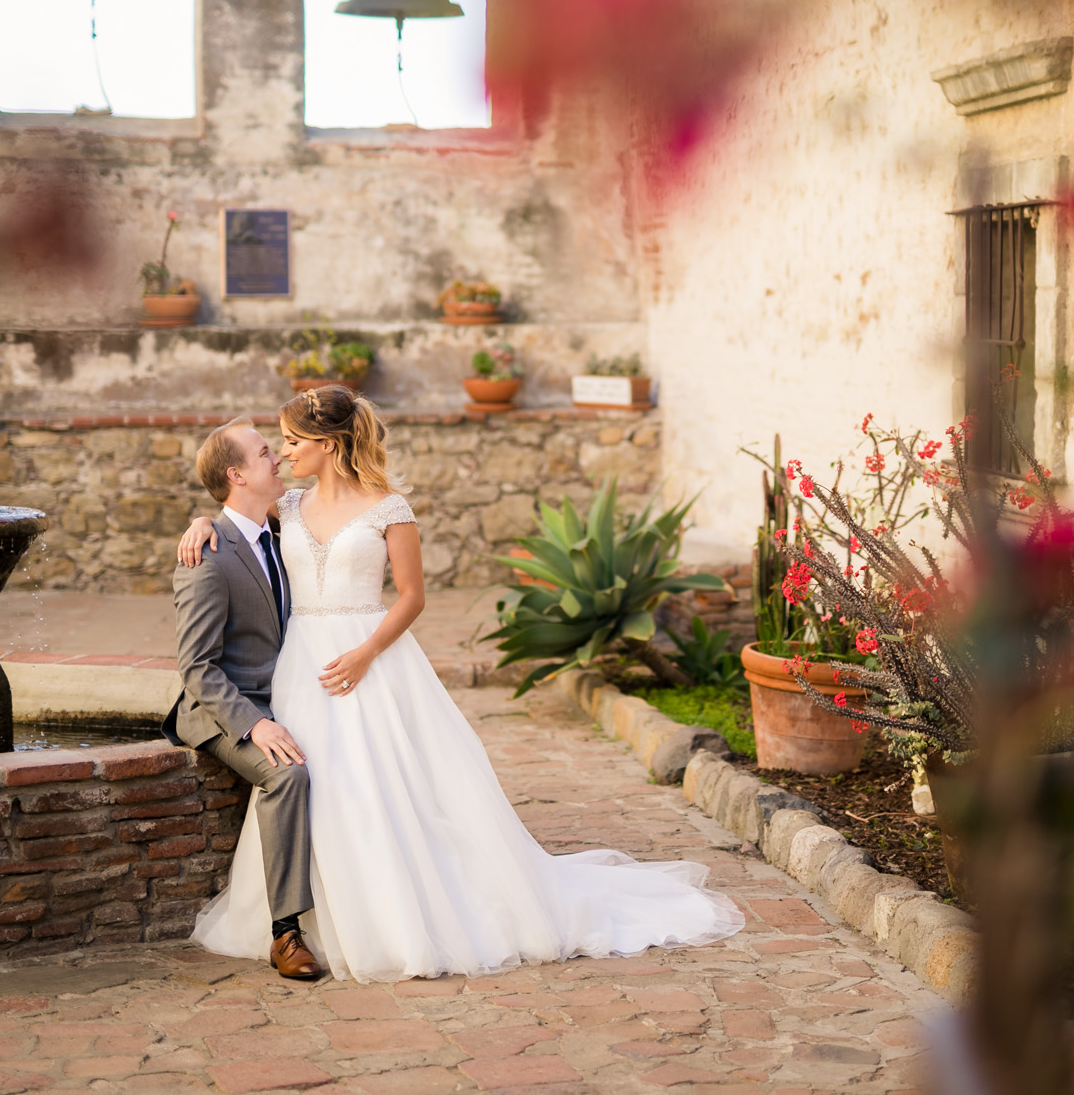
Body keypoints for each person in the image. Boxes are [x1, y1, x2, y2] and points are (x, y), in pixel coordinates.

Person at [179, 386, 744, 981]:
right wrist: (198, 521)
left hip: (372, 659)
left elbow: (414, 596)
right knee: (325, 782)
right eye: (280, 444)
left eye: (293, 441)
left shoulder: (389, 508)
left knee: (393, 782)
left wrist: (368, 653)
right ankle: (302, 918)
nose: (286, 452)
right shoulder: (288, 506)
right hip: (303, 665)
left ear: (327, 444)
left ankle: (410, 910)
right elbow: (235, 518)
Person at [162, 416, 322, 982]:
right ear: (236, 474)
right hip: (224, 708)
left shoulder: (284, 531)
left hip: (290, 693)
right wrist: (254, 726)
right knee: (287, 776)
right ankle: (286, 933)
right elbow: (197, 668)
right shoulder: (207, 557)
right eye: (262, 453)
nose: (276, 457)